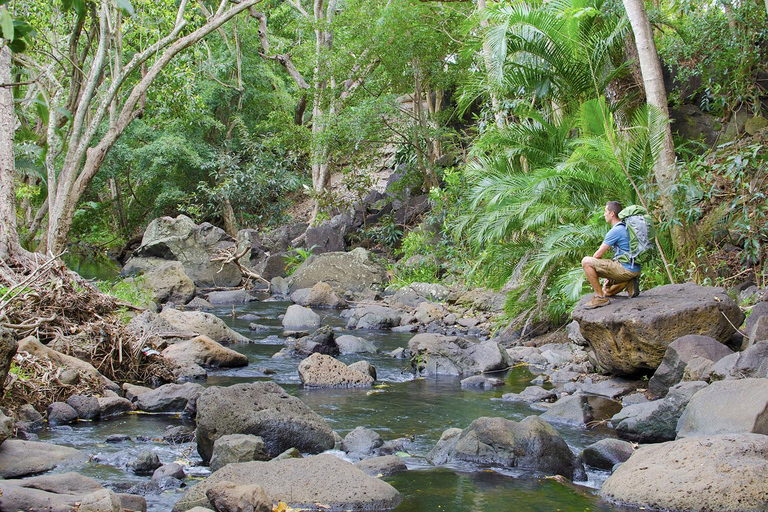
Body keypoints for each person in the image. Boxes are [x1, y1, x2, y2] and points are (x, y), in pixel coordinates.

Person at [580, 201, 641, 308]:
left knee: (586, 262)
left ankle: (600, 298)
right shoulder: (627, 227)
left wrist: (601, 272)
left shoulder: (616, 230)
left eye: (605, 211)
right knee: (607, 291)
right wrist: (608, 274)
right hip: (634, 268)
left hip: (626, 269)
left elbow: (597, 256)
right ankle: (628, 281)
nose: (604, 214)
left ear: (612, 214)